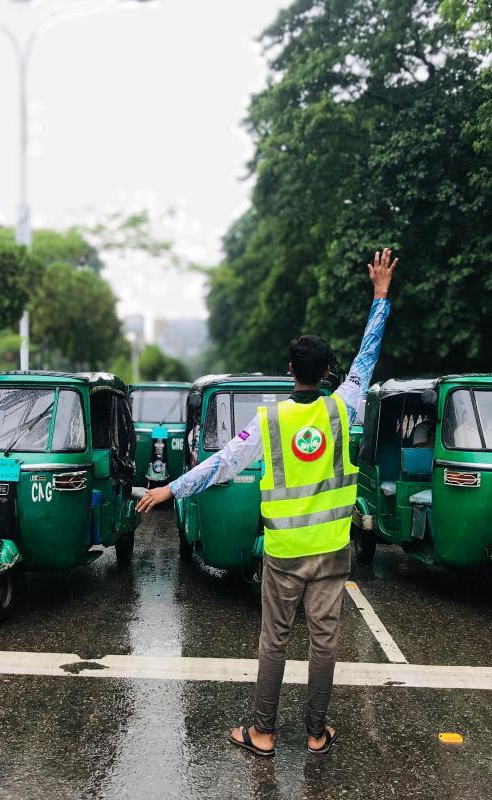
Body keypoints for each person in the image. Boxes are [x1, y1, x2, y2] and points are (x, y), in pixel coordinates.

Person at [137, 248, 397, 757]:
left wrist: (170, 489)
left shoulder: (268, 422)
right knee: (324, 640)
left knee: (274, 639)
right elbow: (368, 357)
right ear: (328, 373)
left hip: (283, 552)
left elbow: (221, 465)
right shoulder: (344, 407)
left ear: (290, 370)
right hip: (332, 548)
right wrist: (380, 295)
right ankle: (317, 733)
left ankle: (262, 732)